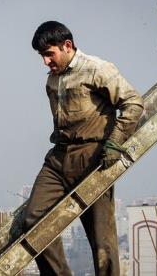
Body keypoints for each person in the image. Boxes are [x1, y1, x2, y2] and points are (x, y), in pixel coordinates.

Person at [24, 21, 144, 275]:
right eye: (42, 56)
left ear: (67, 46)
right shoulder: (52, 80)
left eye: (49, 54)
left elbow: (133, 103)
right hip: (58, 159)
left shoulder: (97, 69)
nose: (45, 62)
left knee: (102, 242)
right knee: (33, 221)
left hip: (93, 159)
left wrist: (114, 143)